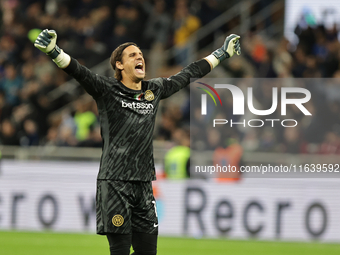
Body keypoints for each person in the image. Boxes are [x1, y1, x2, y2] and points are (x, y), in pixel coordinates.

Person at [33, 29, 241, 255]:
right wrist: (54, 51)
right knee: (120, 251)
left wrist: (221, 53)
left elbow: (188, 73)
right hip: (115, 182)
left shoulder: (154, 89)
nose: (140, 57)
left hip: (143, 184)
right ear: (119, 66)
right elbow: (80, 72)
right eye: (132, 55)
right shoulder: (107, 90)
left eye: (140, 54)